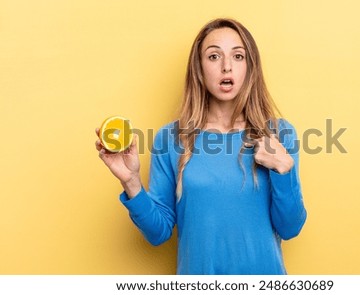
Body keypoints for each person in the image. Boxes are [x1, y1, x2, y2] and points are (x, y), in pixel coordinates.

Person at [95, 18, 307, 275]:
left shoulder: (278, 135)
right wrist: (131, 183)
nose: (227, 66)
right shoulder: (170, 139)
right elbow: (158, 233)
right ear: (199, 67)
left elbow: (290, 228)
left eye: (238, 56)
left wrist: (284, 169)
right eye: (214, 56)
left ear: (250, 67)